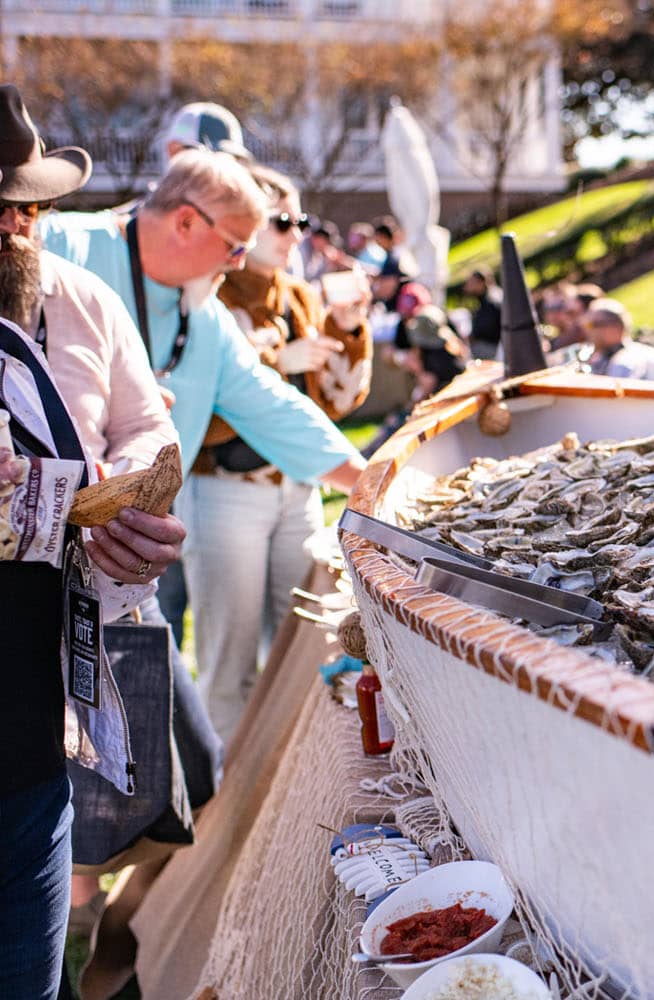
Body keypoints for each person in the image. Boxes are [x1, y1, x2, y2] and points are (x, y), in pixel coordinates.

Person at [43, 150, 368, 735]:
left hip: (118, 566)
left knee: (168, 755)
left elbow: (271, 406)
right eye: (235, 244)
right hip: (29, 563)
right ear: (187, 222)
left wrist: (371, 482)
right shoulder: (61, 246)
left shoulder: (206, 316)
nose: (240, 261)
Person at [0, 91, 186, 999]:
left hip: (35, 731)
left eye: (28, 205)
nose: (17, 226)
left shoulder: (80, 298)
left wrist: (131, 492)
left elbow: (147, 422)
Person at [194, 164, 372, 741]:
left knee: (299, 649)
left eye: (301, 220)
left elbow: (340, 400)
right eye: (282, 220)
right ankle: (226, 802)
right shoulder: (204, 291)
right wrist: (276, 362)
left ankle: (283, 779)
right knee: (230, 660)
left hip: (298, 492)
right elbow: (194, 402)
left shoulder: (299, 295)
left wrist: (349, 330)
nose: (295, 233)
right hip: (223, 492)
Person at [582, 298, 654, 384]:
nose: (586, 331)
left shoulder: (624, 364)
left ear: (614, 328)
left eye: (591, 325)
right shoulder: (617, 357)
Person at [390, 280, 467, 399]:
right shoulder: (428, 349)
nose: (409, 322)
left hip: (452, 387)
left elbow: (429, 380)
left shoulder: (444, 349)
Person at [464, 268, 503, 361]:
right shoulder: (486, 298)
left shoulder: (492, 301)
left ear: (481, 283)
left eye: (471, 283)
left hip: (495, 349)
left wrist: (473, 337)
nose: (468, 286)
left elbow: (488, 329)